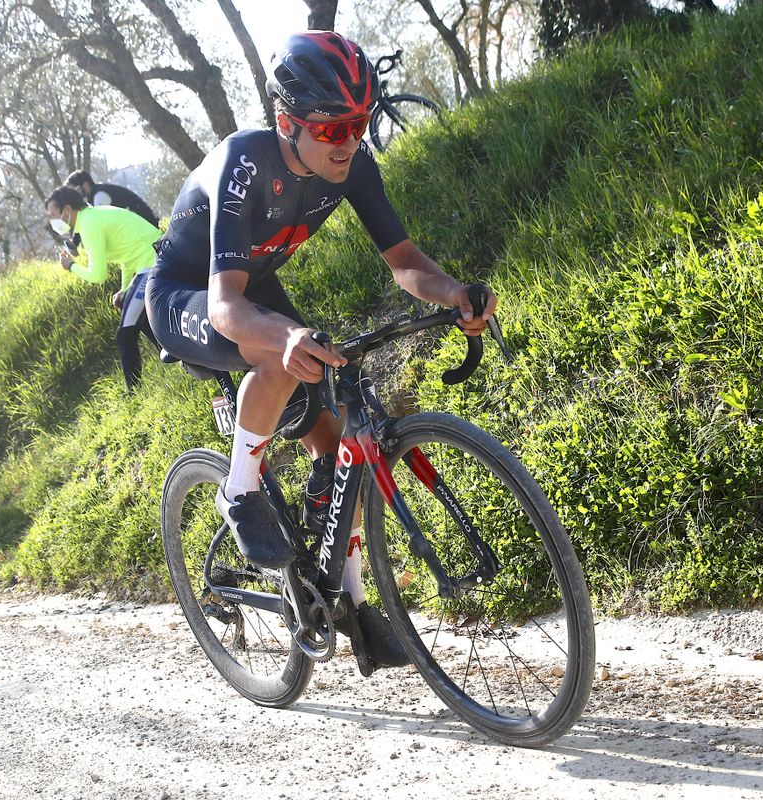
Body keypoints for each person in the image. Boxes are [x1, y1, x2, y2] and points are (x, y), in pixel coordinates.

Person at [145, 31, 497, 668]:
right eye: (333, 129)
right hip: (185, 295)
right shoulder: (244, 162)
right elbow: (226, 308)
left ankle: (355, 606)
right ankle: (241, 489)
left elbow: (404, 262)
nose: (351, 142)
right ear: (287, 121)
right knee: (278, 355)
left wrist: (452, 293)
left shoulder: (354, 164)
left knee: (337, 446)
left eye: (360, 124)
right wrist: (282, 336)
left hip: (251, 286)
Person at [44, 186, 162, 392]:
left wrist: (71, 266)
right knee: (135, 315)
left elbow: (98, 275)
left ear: (67, 210)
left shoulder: (89, 224)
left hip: (153, 262)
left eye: (53, 215)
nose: (52, 222)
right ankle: (179, 358)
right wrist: (125, 290)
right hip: (152, 258)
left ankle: (133, 394)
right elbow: (127, 256)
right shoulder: (91, 218)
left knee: (125, 334)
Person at [65, 170, 159, 227]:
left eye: (75, 190)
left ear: (85, 185)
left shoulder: (99, 196)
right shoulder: (95, 194)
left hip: (146, 225)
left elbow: (103, 223)